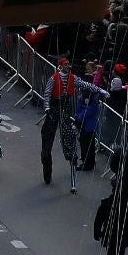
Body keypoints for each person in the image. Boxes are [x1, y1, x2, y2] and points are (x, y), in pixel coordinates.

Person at [42, 56, 82, 190]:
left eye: (69, 64)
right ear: (60, 66)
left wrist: (99, 90)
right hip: (53, 109)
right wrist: (47, 107)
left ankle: (72, 157)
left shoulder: (73, 78)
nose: (68, 66)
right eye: (65, 64)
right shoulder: (53, 78)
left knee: (68, 136)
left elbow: (84, 84)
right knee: (47, 140)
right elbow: (47, 93)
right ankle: (47, 169)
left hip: (65, 109)